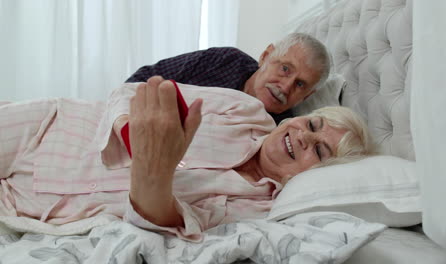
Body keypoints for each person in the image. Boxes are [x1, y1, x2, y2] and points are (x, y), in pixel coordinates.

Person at [0, 77, 371, 242]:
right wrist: (133, 134)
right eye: (313, 123)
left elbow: (164, 223)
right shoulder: (245, 108)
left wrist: (154, 168)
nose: (305, 136)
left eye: (320, 150)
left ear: (321, 175)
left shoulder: (261, 210)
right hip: (51, 128)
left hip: (39, 205)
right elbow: (133, 91)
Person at [126, 33, 331, 124]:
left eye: (300, 84)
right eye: (285, 69)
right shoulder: (224, 60)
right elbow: (142, 79)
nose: (285, 87)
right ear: (266, 56)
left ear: (306, 97)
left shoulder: (281, 132)